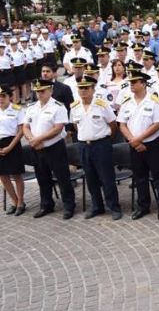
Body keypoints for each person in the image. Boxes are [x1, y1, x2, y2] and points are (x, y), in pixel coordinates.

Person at [117, 69, 159, 220]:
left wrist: (138, 139)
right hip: (134, 145)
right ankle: (143, 206)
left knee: (158, 177)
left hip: (153, 145)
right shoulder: (127, 102)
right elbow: (122, 125)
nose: (131, 85)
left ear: (143, 84)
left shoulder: (154, 101)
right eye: (130, 82)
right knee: (140, 177)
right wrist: (133, 140)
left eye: (134, 82)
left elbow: (158, 124)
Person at [70, 76, 121, 220]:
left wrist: (103, 139)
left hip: (101, 145)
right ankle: (97, 206)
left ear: (93, 89)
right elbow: (76, 126)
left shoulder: (102, 104)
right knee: (91, 178)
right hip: (84, 146)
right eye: (81, 88)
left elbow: (113, 125)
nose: (83, 90)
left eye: (87, 88)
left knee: (107, 178)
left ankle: (114, 207)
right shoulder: (74, 106)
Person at [24, 79, 74, 219]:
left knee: (62, 177)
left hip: (54, 148)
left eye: (42, 91)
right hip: (37, 148)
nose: (39, 94)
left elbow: (58, 128)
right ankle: (46, 204)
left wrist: (39, 139)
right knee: (42, 178)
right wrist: (32, 140)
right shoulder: (32, 107)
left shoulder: (58, 107)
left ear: (50, 91)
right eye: (37, 91)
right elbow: (25, 126)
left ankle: (69, 205)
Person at [0, 85, 26, 216]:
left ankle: (21, 202)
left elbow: (21, 130)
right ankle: (14, 201)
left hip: (13, 143)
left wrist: (10, 146)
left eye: (3, 96)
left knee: (16, 174)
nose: (1, 99)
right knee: (3, 176)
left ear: (9, 96)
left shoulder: (17, 109)